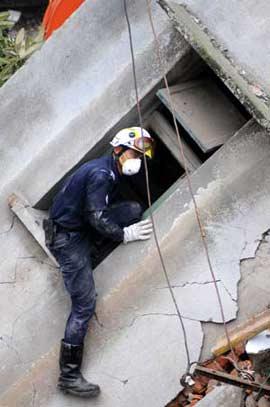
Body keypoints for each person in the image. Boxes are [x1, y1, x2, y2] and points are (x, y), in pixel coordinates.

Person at [43, 127, 154, 398]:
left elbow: (96, 212)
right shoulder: (101, 174)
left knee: (132, 210)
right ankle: (68, 376)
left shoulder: (109, 170)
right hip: (67, 239)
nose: (136, 160)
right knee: (84, 304)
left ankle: (90, 253)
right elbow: (96, 217)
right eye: (133, 153)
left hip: (78, 226)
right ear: (118, 149)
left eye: (140, 156)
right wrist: (123, 235)